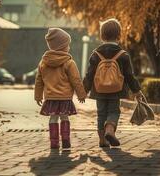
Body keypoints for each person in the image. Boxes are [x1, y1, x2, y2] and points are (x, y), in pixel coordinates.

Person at [83, 18, 144, 147]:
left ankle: (102, 139)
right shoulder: (123, 55)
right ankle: (110, 130)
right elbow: (129, 76)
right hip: (116, 90)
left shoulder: (95, 54)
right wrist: (136, 91)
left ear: (102, 35)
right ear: (119, 35)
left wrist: (84, 90)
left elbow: (89, 75)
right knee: (114, 111)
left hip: (99, 91)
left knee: (101, 113)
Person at [34, 28, 86, 149]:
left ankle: (54, 142)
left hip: (50, 97)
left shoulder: (43, 62)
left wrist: (37, 96)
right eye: (67, 45)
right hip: (65, 97)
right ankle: (66, 139)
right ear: (62, 46)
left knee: (53, 118)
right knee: (64, 117)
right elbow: (76, 80)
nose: (69, 47)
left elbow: (39, 80)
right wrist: (81, 94)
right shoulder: (69, 62)